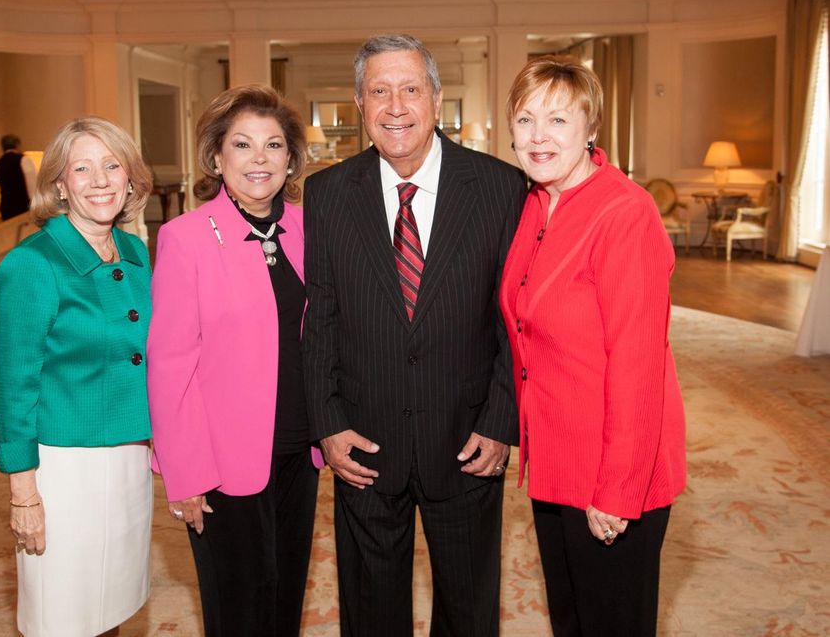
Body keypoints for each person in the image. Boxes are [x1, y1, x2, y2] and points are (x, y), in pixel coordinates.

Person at [302, 34, 526, 636]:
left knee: (469, 607)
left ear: (435, 97)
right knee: (370, 609)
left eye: (409, 89)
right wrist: (326, 422)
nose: (395, 106)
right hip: (364, 444)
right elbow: (318, 314)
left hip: (467, 440)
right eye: (379, 91)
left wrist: (500, 422)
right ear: (359, 103)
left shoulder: (502, 189)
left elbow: (514, 320)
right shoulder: (325, 194)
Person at [499, 55, 687, 637]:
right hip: (555, 460)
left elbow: (638, 366)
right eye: (526, 119)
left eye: (558, 120)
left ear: (592, 128)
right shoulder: (534, 203)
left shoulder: (625, 211)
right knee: (572, 621)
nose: (539, 136)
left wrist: (617, 490)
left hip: (611, 470)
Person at [147, 84, 323, 637]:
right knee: (238, 607)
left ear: (291, 159)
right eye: (242, 145)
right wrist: (185, 473)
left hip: (300, 449)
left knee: (286, 595)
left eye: (273, 146)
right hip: (222, 464)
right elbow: (169, 364)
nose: (259, 160)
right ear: (217, 157)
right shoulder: (185, 239)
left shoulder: (309, 228)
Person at [0, 116, 155, 637]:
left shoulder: (135, 253)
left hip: (130, 458)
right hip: (62, 469)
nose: (101, 180)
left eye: (112, 165)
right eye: (82, 168)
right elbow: (13, 385)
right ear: (59, 185)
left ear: (131, 178)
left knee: (115, 604)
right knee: (62, 613)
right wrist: (24, 494)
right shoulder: (31, 265)